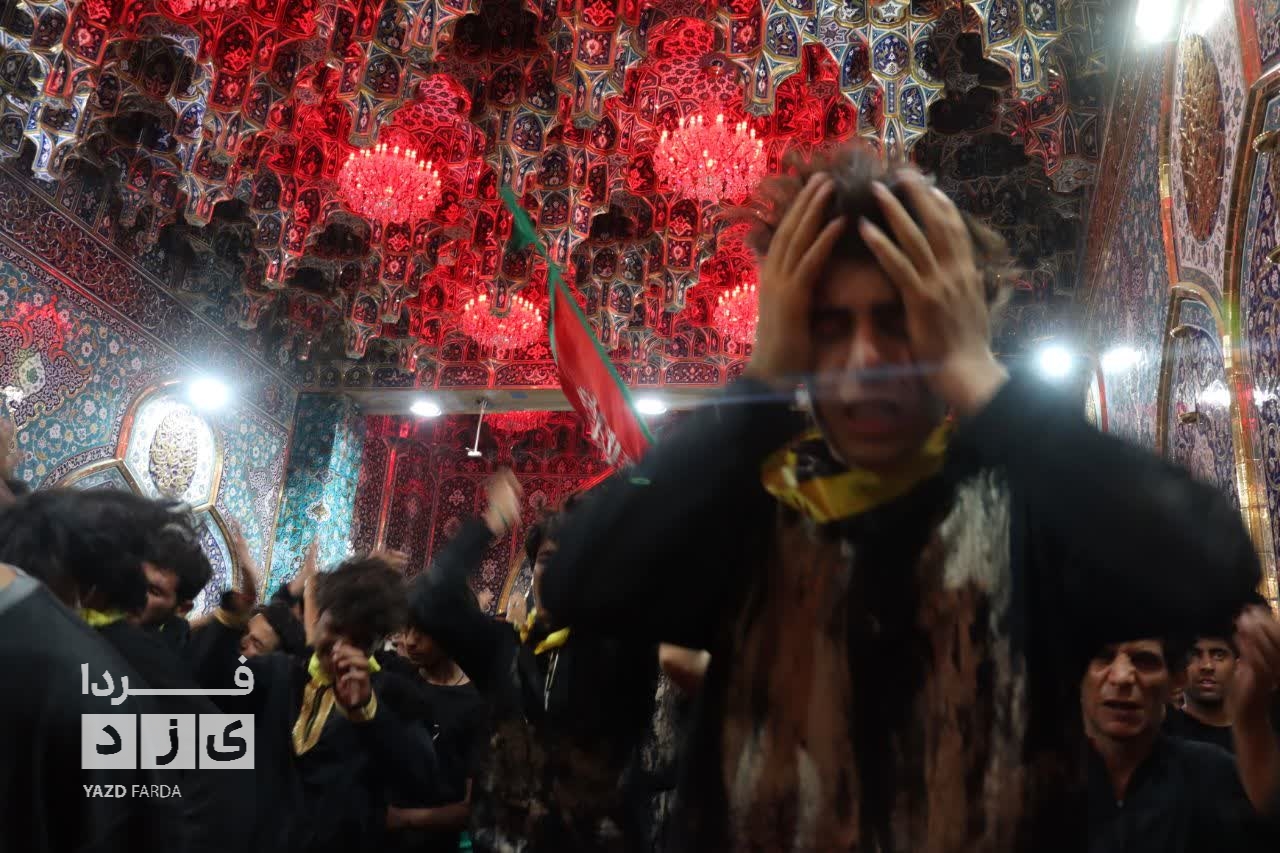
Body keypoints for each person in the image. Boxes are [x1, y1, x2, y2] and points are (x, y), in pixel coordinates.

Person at [542, 147, 1267, 851]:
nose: (866, 360)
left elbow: (1211, 568)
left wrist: (977, 375)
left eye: (898, 320)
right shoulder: (754, 507)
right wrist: (760, 384)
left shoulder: (1024, 510)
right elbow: (580, 581)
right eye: (830, 327)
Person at [409, 472, 657, 853]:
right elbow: (430, 600)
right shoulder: (504, 650)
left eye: (574, 559)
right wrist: (491, 523)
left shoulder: (618, 650)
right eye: (546, 560)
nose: (556, 572)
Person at [208, 554, 444, 853]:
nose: (339, 649)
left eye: (357, 641)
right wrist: (230, 618)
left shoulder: (394, 695)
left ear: (375, 644)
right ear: (318, 618)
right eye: (334, 630)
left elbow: (422, 780)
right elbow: (210, 684)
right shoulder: (278, 673)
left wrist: (367, 712)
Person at [1084, 631, 1280, 851]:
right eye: (1104, 658)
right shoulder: (1056, 779)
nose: (1122, 677)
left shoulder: (1213, 773)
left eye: (1144, 661)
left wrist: (1252, 723)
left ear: (1176, 680)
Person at [386, 610, 491, 853]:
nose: (409, 641)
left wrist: (402, 818)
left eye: (422, 632)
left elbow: (469, 808)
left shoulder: (474, 704)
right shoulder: (398, 677)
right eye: (407, 629)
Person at [1164, 634, 1238, 752]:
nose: (1207, 666)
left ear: (1237, 665)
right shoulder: (1161, 733)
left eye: (1218, 655)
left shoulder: (1256, 734)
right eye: (1193, 655)